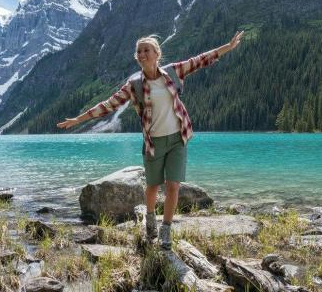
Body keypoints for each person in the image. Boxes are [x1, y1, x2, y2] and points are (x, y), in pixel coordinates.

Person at [57, 31, 244, 249]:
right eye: (139, 51)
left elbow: (200, 60)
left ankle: (166, 229)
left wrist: (228, 47)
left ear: (157, 54)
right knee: (153, 187)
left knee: (173, 185)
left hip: (177, 138)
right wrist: (79, 119)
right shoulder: (134, 84)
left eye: (147, 50)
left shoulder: (172, 72)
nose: (142, 54)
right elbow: (109, 104)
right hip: (153, 143)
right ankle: (150, 220)